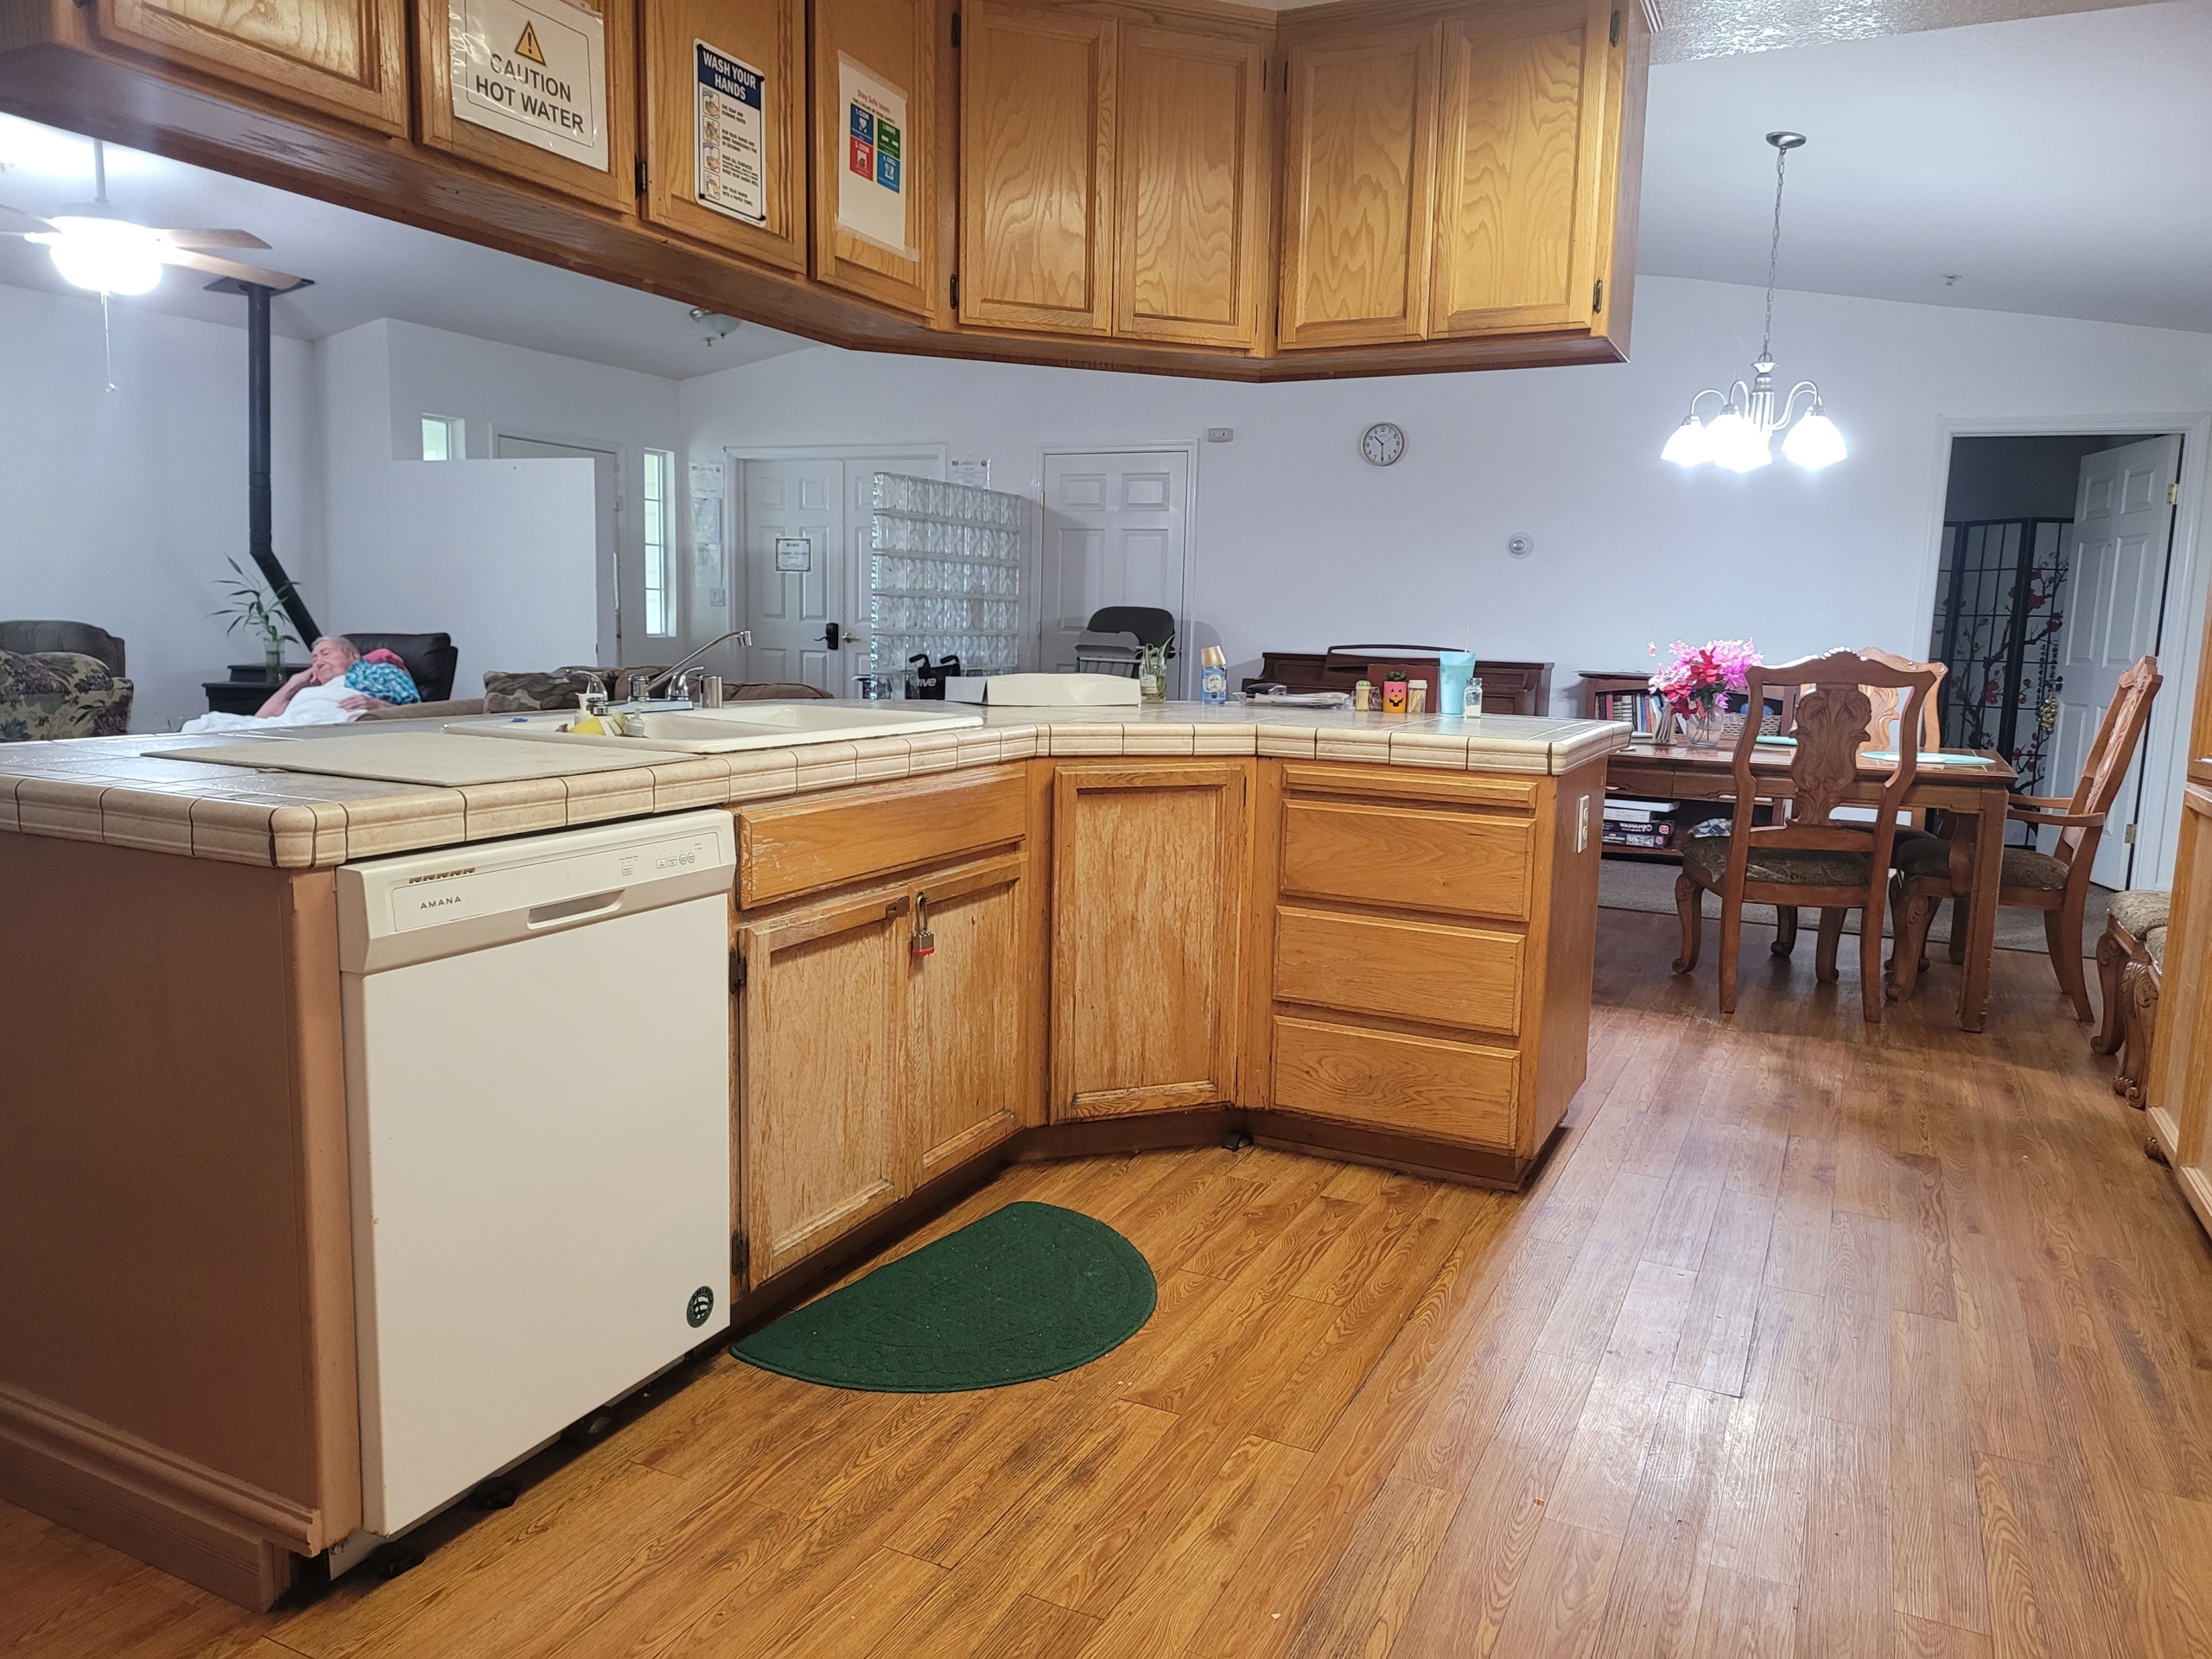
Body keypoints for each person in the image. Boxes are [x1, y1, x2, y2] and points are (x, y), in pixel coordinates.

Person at [181, 635, 419, 734]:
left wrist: (377, 704)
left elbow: (418, 710)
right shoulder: (312, 688)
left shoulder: (378, 672)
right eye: (314, 659)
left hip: (328, 718)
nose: (318, 662)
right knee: (204, 724)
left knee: (224, 738)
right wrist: (297, 682)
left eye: (325, 653)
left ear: (354, 656)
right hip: (285, 722)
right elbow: (261, 718)